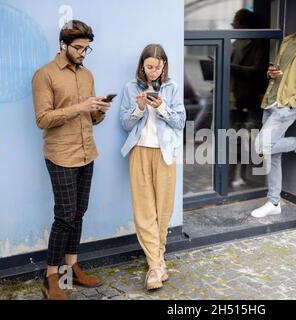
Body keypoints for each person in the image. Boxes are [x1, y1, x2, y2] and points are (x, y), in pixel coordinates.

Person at [32, 20, 110, 300]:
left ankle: (70, 269)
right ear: (63, 45)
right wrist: (80, 107)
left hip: (87, 152)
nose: (82, 53)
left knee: (79, 213)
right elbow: (42, 119)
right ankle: (51, 277)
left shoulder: (87, 75)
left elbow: (91, 119)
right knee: (64, 217)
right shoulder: (45, 75)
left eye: (87, 49)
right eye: (78, 48)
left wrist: (99, 110)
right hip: (61, 156)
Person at [120, 44, 186, 290]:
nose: (154, 72)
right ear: (142, 65)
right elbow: (125, 124)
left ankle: (156, 263)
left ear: (164, 66)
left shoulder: (172, 87)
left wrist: (162, 108)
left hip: (165, 153)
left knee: (163, 210)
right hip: (139, 152)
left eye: (158, 67)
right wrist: (138, 108)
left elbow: (180, 122)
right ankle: (156, 267)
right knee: (144, 211)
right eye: (149, 67)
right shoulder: (130, 88)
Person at [251, 9, 296, 218]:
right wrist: (271, 73)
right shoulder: (287, 41)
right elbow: (277, 70)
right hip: (271, 100)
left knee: (261, 145)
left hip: (287, 106)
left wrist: (293, 104)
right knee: (272, 154)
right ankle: (274, 202)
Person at [229, 8, 269, 188]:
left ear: (244, 25)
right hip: (236, 98)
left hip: (252, 99)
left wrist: (231, 67)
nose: (234, 27)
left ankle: (247, 178)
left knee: (248, 142)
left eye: (235, 24)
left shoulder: (259, 43)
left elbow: (257, 71)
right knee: (232, 141)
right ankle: (230, 180)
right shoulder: (236, 43)